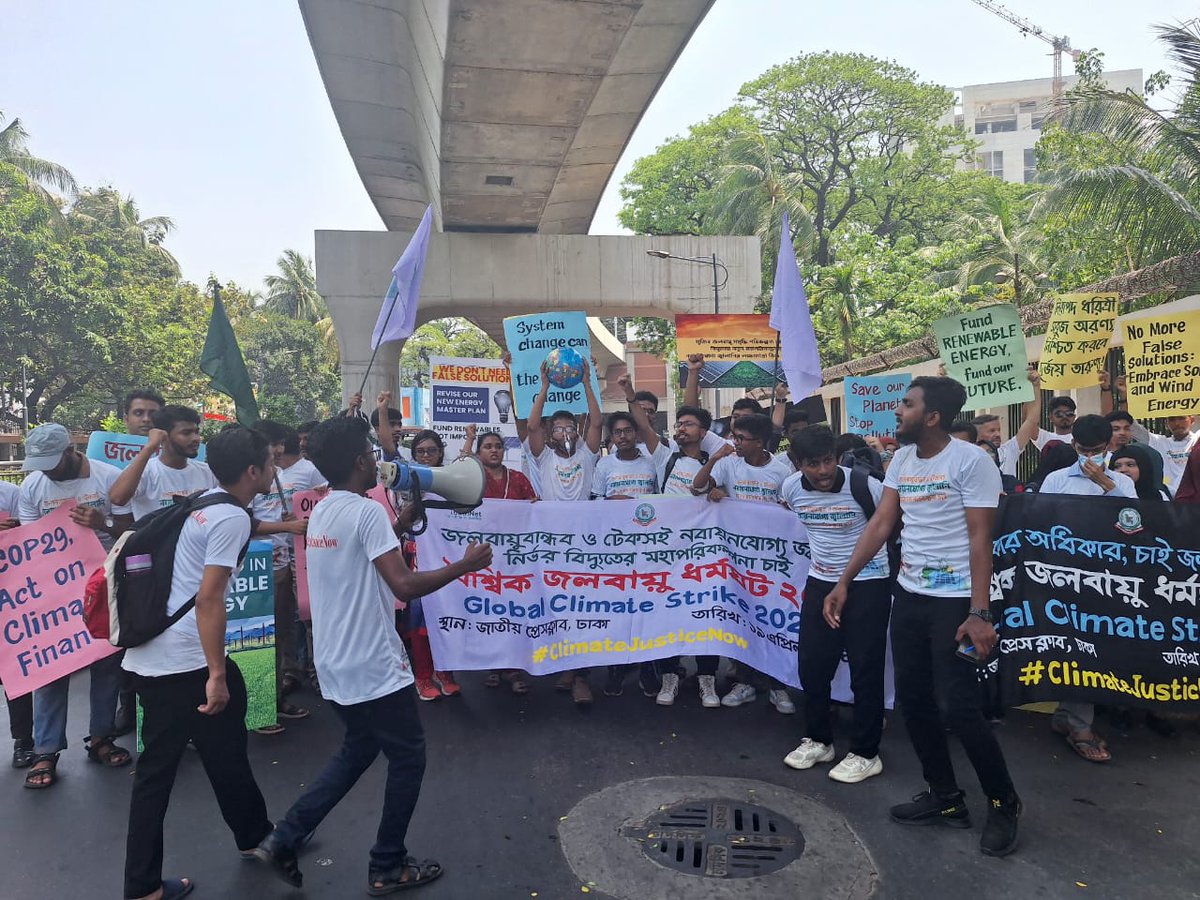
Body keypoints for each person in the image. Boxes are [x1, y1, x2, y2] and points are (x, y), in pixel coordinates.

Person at [253, 416, 492, 894]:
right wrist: (465, 565)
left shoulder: (325, 509)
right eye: (371, 451)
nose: (378, 459)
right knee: (408, 758)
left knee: (358, 749)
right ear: (362, 461)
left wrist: (400, 522)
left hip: (336, 661)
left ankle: (285, 836)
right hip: (373, 663)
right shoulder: (365, 513)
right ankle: (388, 863)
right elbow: (403, 584)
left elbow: (360, 555)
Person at [824, 376, 1022, 857]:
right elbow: (882, 522)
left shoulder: (972, 462)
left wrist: (979, 612)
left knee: (957, 705)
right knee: (914, 701)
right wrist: (844, 580)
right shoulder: (904, 459)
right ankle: (946, 798)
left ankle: (1003, 802)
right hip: (909, 595)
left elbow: (981, 539)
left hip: (956, 601)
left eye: (907, 405)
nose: (899, 411)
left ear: (932, 416)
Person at [18, 423, 132, 790]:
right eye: (40, 464)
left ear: (71, 451)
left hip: (105, 586)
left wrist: (104, 522)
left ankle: (101, 736)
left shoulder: (108, 478)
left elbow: (133, 531)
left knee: (106, 662)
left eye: (52, 461)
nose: (47, 470)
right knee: (51, 670)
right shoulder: (33, 486)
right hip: (54, 594)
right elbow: (29, 543)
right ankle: (45, 750)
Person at [782, 425, 891, 784]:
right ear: (796, 464)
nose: (824, 471)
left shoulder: (865, 487)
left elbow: (891, 527)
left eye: (828, 461)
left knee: (865, 669)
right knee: (812, 665)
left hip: (868, 584)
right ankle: (819, 740)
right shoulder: (790, 489)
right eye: (813, 464)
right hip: (820, 582)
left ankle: (865, 752)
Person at [1037, 415, 1137, 763]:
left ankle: (1078, 723)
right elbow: (1040, 523)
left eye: (1097, 451)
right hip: (1064, 575)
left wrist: (1108, 485)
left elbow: (1135, 523)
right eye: (1083, 451)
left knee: (1090, 647)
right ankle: (1070, 719)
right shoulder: (1057, 479)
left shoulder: (1122, 482)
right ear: (1073, 447)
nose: (1090, 458)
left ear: (1108, 447)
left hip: (1104, 578)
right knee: (1069, 646)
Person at [693, 414, 797, 714]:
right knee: (742, 618)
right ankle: (745, 681)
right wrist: (714, 461)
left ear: (760, 442)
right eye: (734, 437)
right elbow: (697, 488)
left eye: (741, 438)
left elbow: (788, 508)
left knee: (772, 618)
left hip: (773, 559)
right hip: (737, 558)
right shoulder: (728, 463)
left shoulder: (781, 470)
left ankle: (777, 685)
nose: (734, 442)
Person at [524, 357, 603, 704]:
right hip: (550, 541)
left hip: (584, 541)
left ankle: (579, 674)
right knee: (555, 604)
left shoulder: (587, 455)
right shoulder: (543, 457)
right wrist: (544, 387)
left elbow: (598, 420)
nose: (564, 432)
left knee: (581, 605)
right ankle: (564, 664)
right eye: (557, 428)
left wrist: (587, 381)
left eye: (569, 427)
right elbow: (531, 427)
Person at [250, 421, 319, 732]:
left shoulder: (292, 472)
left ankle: (274, 697)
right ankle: (260, 706)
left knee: (283, 631)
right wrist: (285, 527)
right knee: (259, 638)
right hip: (256, 567)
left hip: (288, 562)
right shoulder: (248, 477)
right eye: (272, 446)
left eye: (279, 444)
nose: (278, 451)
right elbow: (241, 522)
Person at [395, 428, 463, 701]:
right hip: (418, 558)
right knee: (421, 618)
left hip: (447, 557)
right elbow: (388, 448)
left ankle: (445, 672)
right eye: (420, 452)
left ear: (440, 453)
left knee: (447, 615)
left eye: (431, 451)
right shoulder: (406, 480)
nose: (425, 456)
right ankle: (423, 676)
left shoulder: (454, 481)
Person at [110, 406, 216, 521]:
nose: (196, 438)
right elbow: (117, 498)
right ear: (163, 436)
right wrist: (150, 446)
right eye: (186, 433)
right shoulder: (146, 472)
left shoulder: (208, 472)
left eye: (196, 432)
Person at [0, 479, 34, 769]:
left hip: (9, 594)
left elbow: (30, 538)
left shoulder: (10, 493)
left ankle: (23, 740)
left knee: (14, 670)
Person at [476, 429, 537, 501]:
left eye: (498, 447)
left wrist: (534, 503)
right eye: (488, 447)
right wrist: (469, 440)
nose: (494, 450)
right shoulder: (474, 479)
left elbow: (531, 508)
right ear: (478, 453)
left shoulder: (518, 478)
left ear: (504, 450)